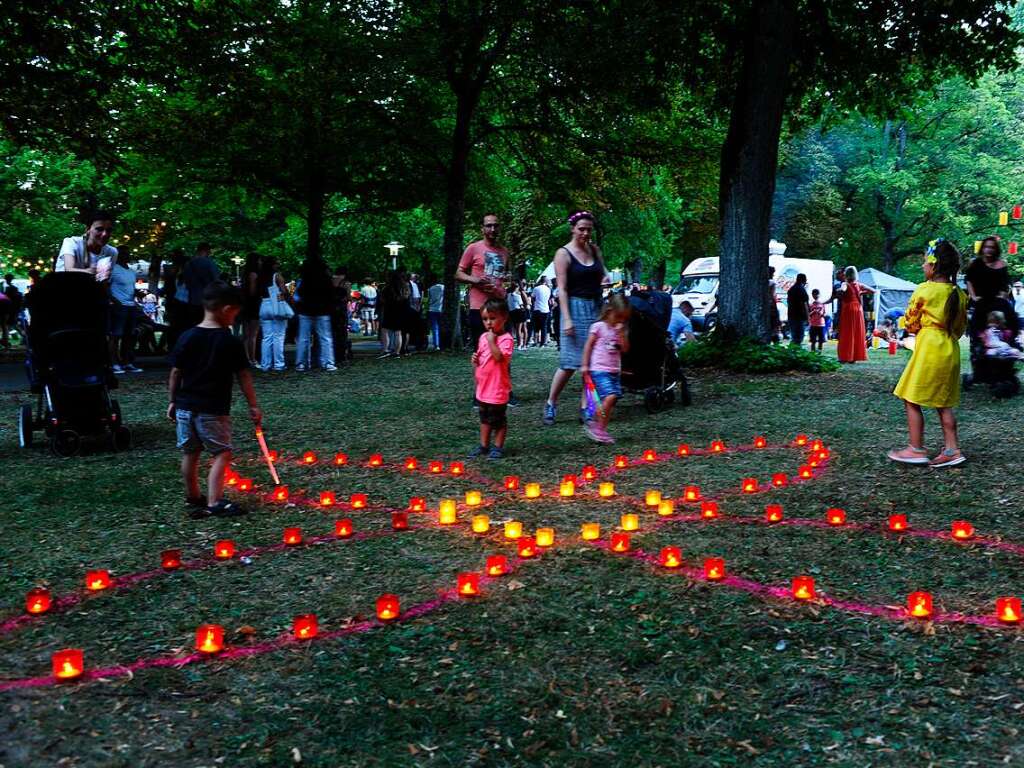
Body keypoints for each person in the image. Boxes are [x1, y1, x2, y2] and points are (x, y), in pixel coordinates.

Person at [168, 281, 262, 518]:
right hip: (212, 409)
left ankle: (193, 495)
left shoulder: (187, 336)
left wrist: (172, 401)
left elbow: (176, 372)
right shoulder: (229, 341)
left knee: (190, 452)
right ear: (227, 309)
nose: (235, 319)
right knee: (222, 453)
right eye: (236, 314)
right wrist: (253, 405)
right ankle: (214, 500)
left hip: (185, 408)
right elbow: (243, 375)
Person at [889, 239, 968, 468]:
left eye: (925, 262)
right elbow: (960, 329)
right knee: (943, 403)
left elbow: (911, 323)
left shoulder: (924, 290)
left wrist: (911, 327)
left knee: (911, 397)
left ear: (934, 266)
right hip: (949, 350)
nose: (923, 266)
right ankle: (952, 449)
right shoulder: (959, 294)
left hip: (929, 349)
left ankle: (916, 449)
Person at [543, 211, 607, 425]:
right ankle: (551, 403)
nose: (585, 233)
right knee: (569, 363)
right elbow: (561, 288)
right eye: (581, 228)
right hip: (574, 307)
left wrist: (605, 279)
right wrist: (567, 319)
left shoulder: (595, 250)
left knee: (591, 363)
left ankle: (585, 407)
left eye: (589, 229)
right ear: (573, 229)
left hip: (596, 308)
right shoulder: (563, 253)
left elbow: (603, 273)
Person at [580, 293, 630, 444]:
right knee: (610, 396)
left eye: (624, 318)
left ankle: (600, 430)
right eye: (618, 316)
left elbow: (625, 349)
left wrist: (621, 334)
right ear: (609, 311)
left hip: (614, 370)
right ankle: (594, 417)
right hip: (599, 369)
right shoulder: (598, 327)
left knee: (611, 401)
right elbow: (588, 345)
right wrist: (584, 365)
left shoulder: (620, 330)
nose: (620, 320)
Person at [455, 213, 509, 349]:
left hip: (499, 307)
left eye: (496, 226)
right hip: (479, 308)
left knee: (501, 352)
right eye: (489, 226)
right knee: (481, 351)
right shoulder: (473, 248)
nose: (492, 229)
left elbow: (505, 277)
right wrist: (476, 280)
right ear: (482, 229)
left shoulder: (504, 251)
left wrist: (506, 286)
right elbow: (458, 274)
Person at [469, 298, 513, 459]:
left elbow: (499, 358)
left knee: (498, 420)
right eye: (485, 319)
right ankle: (483, 445)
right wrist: (475, 360)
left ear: (504, 318)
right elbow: (481, 360)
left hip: (497, 389)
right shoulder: (483, 338)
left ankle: (498, 447)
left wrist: (492, 341)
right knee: (484, 419)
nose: (488, 323)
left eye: (492, 318)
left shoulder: (506, 339)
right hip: (483, 388)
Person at [294, 256, 336, 372]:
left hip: (306, 310)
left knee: (303, 338)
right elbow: (330, 295)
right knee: (325, 338)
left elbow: (298, 296)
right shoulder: (326, 279)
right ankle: (328, 362)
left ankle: (301, 363)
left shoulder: (304, 280)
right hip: (322, 310)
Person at [965, 237, 1012, 338]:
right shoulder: (975, 263)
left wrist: (1003, 295)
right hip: (980, 301)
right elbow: (969, 280)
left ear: (996, 249)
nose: (989, 249)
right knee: (978, 331)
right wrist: (973, 296)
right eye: (986, 247)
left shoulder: (1002, 264)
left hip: (997, 301)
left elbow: (1005, 285)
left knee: (1007, 324)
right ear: (982, 248)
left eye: (992, 247)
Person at [108, 247, 142, 374]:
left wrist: (138, 293)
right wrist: (114, 300)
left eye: (128, 253)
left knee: (130, 336)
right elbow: (104, 286)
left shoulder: (131, 272)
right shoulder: (113, 269)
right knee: (115, 336)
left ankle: (127, 362)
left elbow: (131, 288)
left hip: (131, 306)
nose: (127, 255)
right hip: (118, 306)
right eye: (124, 253)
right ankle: (114, 363)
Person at [56, 210, 117, 281]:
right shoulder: (71, 242)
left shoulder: (112, 252)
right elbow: (69, 270)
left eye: (109, 230)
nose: (104, 234)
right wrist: (91, 272)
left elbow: (105, 282)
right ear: (88, 229)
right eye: (99, 229)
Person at [257, 257, 294, 371]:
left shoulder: (260, 277)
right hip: (276, 306)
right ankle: (279, 364)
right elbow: (283, 291)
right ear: (273, 265)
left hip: (264, 305)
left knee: (266, 337)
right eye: (277, 263)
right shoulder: (277, 276)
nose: (278, 265)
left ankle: (265, 364)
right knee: (278, 336)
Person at [836, 266, 874, 363]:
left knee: (847, 332)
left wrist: (841, 290)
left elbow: (843, 289)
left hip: (849, 309)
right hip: (858, 309)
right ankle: (854, 357)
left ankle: (845, 356)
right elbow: (872, 291)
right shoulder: (858, 284)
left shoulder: (845, 283)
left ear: (846, 274)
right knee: (857, 332)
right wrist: (861, 292)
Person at [180, 243, 220, 327]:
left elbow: (186, 282)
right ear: (207, 251)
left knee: (194, 324)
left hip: (192, 300)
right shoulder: (209, 263)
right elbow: (216, 281)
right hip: (208, 300)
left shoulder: (189, 264)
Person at [240, 253, 262, 365]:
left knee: (246, 334)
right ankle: (253, 359)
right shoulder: (254, 274)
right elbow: (252, 291)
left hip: (245, 305)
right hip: (253, 305)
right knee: (253, 334)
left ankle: (246, 358)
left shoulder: (245, 273)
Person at [330, 265, 351, 364]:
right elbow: (347, 297)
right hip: (341, 309)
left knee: (331, 332)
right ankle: (341, 354)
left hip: (330, 309)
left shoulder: (331, 280)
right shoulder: (346, 283)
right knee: (342, 332)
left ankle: (332, 353)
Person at [786, 273, 810, 346]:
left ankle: (792, 351)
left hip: (791, 315)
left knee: (794, 336)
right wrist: (808, 316)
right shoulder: (802, 289)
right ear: (803, 280)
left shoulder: (791, 289)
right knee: (799, 337)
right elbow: (804, 304)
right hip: (800, 316)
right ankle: (795, 352)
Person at [530, 276, 551, 347]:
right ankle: (543, 342)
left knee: (536, 327)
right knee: (544, 327)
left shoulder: (536, 288)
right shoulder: (548, 289)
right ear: (545, 281)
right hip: (545, 309)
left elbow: (532, 298)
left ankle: (535, 341)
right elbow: (548, 299)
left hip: (537, 309)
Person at [427, 275, 444, 350]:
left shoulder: (430, 288)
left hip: (432, 309)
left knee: (435, 328)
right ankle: (442, 343)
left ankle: (436, 345)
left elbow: (429, 299)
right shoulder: (443, 287)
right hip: (440, 309)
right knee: (441, 327)